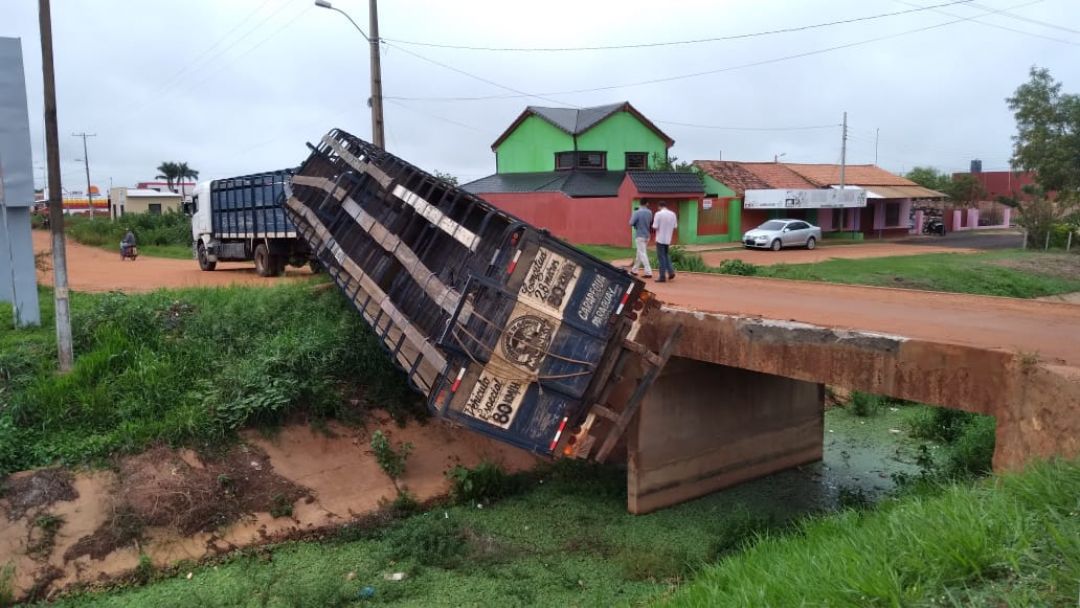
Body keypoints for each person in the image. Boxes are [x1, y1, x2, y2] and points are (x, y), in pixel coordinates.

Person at [651, 201, 677, 282]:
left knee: (661, 257)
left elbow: (655, 226)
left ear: (659, 206)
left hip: (660, 239)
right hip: (668, 238)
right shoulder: (673, 214)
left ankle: (662, 276)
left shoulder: (658, 214)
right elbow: (675, 226)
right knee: (666, 255)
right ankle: (671, 271)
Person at [627, 202, 653, 278]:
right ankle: (634, 270)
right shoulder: (650, 212)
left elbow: (631, 223)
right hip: (647, 235)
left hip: (640, 235)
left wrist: (636, 223)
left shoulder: (637, 212)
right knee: (639, 253)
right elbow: (650, 222)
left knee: (642, 254)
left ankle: (648, 272)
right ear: (647, 204)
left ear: (640, 204)